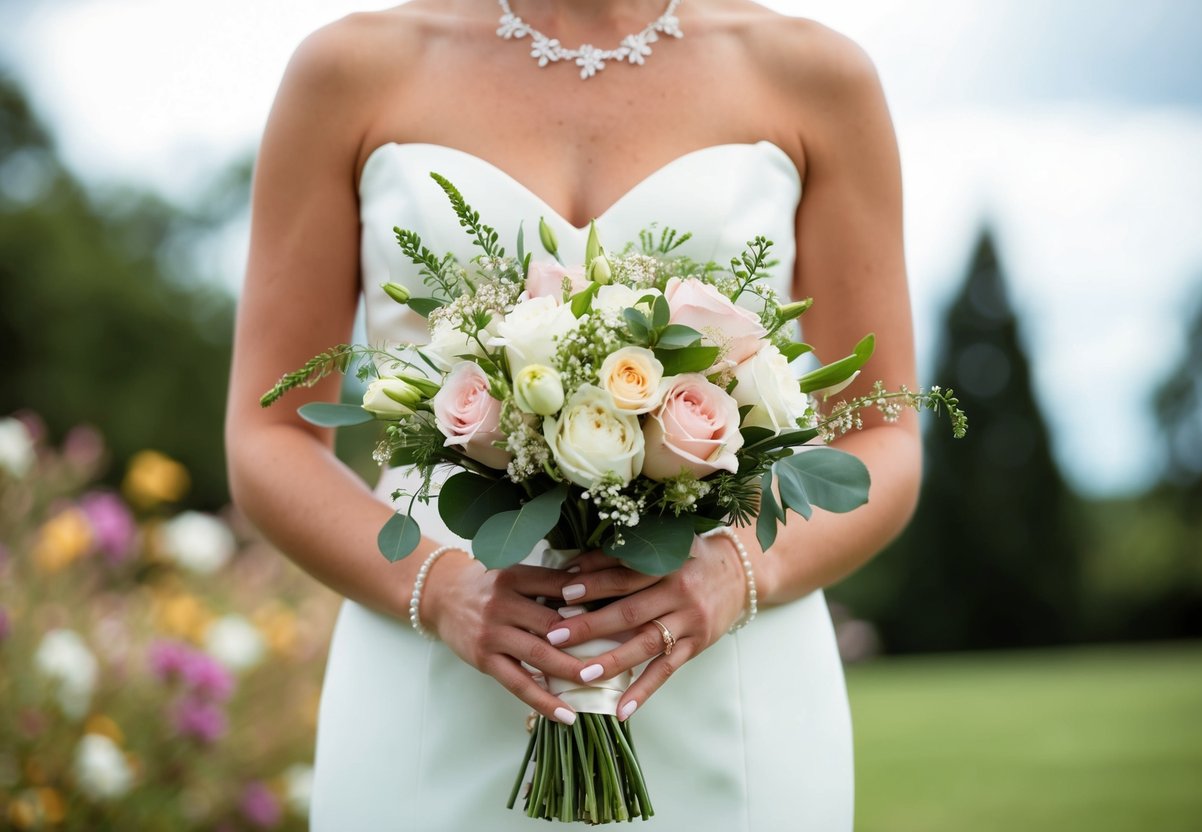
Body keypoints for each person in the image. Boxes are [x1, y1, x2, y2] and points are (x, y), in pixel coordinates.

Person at [224, 1, 920, 829]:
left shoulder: (812, 75)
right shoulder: (350, 71)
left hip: (727, 676)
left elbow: (884, 436)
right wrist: (437, 591)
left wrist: (739, 572)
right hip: (435, 670)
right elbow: (267, 434)